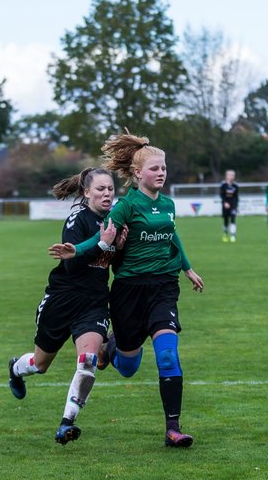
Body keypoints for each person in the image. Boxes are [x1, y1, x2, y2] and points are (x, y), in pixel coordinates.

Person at [49, 131, 205, 448]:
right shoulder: (125, 207)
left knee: (167, 355)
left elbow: (173, 237)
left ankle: (173, 428)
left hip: (163, 287)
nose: (161, 173)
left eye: (164, 168)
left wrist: (187, 268)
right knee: (129, 368)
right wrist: (76, 251)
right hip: (129, 292)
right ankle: (110, 348)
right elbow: (101, 239)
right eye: (155, 169)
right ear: (137, 173)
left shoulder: (169, 204)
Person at [7, 167, 121, 444]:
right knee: (40, 364)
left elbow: (114, 260)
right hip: (62, 300)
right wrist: (105, 246)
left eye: (110, 189)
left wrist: (121, 247)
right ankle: (16, 368)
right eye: (100, 189)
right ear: (86, 192)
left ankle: (66, 422)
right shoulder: (77, 219)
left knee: (88, 361)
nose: (107, 194)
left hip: (93, 302)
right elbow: (72, 266)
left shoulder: (115, 220)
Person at [219, 169, 239, 243]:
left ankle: (233, 236)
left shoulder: (236, 186)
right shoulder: (223, 185)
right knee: (226, 221)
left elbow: (236, 197)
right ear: (226, 176)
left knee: (233, 220)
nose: (231, 176)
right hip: (225, 205)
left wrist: (236, 206)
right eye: (230, 175)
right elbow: (221, 195)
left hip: (233, 205)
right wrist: (225, 203)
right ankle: (225, 234)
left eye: (233, 175)